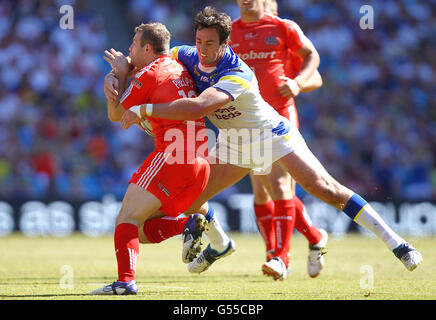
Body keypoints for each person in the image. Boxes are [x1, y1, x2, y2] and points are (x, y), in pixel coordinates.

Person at [119, 7, 423, 281]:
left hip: (271, 135)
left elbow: (198, 107)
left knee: (325, 189)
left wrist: (143, 110)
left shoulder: (237, 73)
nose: (202, 49)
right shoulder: (186, 54)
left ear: (225, 44)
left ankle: (397, 244)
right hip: (234, 143)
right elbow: (155, 61)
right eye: (199, 41)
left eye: (210, 44)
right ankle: (220, 244)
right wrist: (122, 71)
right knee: (191, 198)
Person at [90, 22, 212, 295]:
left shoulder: (149, 73)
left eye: (133, 44)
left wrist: (119, 75)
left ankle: (124, 283)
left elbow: (117, 116)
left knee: (126, 219)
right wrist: (120, 74)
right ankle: (186, 224)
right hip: (201, 163)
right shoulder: (178, 66)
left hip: (173, 157)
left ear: (147, 47)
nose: (129, 49)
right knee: (141, 231)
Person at [231, 0, 327, 278]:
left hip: (280, 118)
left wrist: (295, 84)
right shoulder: (231, 32)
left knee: (278, 184)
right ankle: (310, 238)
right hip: (247, 120)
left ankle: (280, 257)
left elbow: (315, 77)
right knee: (262, 189)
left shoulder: (283, 31)